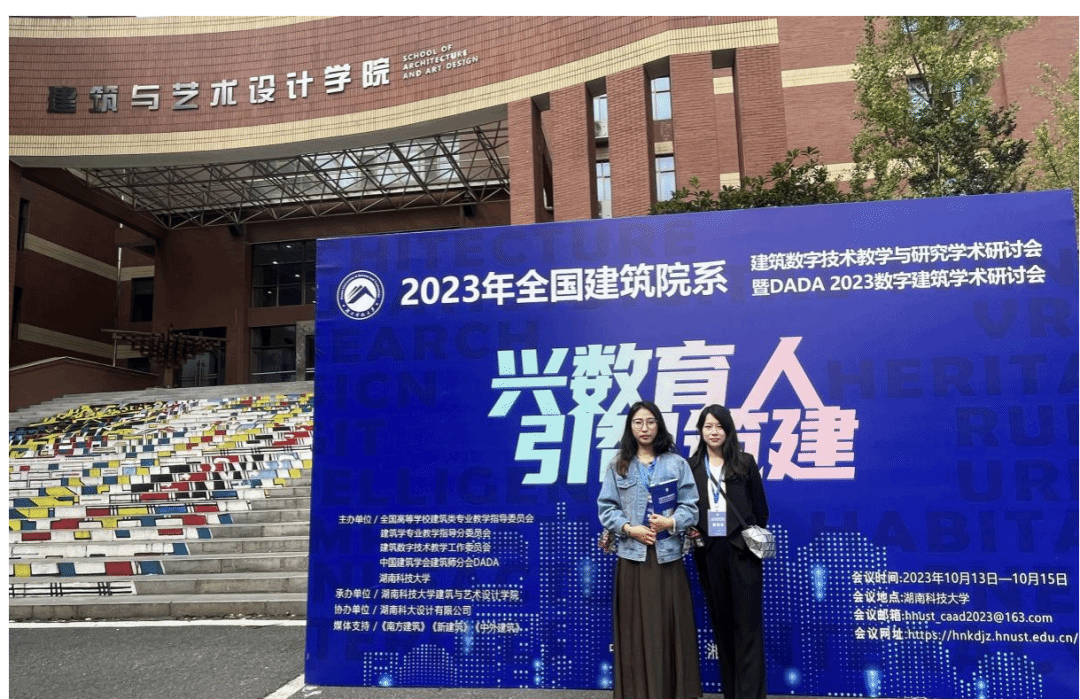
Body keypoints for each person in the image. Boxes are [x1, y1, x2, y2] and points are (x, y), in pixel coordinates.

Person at [597, 400, 702, 699]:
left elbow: (691, 507)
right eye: (638, 422)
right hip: (633, 558)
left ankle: (672, 692)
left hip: (668, 558)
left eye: (651, 422)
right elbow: (606, 508)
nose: (645, 428)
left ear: (659, 426)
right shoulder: (618, 465)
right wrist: (630, 529)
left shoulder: (676, 463)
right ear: (630, 427)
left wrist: (671, 521)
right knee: (635, 631)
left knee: (669, 627)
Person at [687, 404, 769, 699]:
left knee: (748, 628)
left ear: (729, 429)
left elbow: (761, 511)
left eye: (719, 426)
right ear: (700, 430)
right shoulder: (690, 466)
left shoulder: (744, 463)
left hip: (742, 550)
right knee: (721, 626)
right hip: (710, 551)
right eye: (708, 426)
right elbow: (686, 508)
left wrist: (744, 535)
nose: (714, 432)